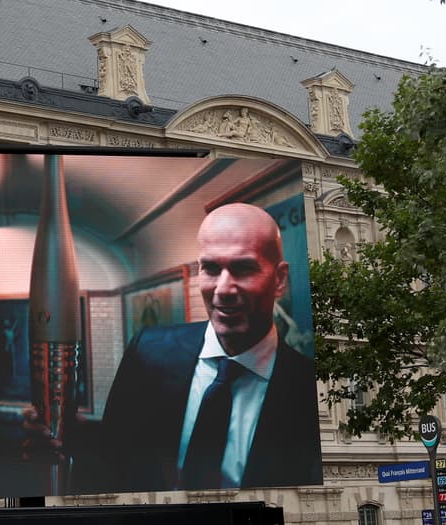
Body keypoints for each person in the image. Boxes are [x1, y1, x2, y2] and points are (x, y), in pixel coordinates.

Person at [73, 203, 319, 492]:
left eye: (243, 268)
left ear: (279, 280)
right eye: (211, 268)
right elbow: (113, 453)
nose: (224, 289)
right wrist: (63, 434)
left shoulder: (310, 389)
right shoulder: (148, 351)